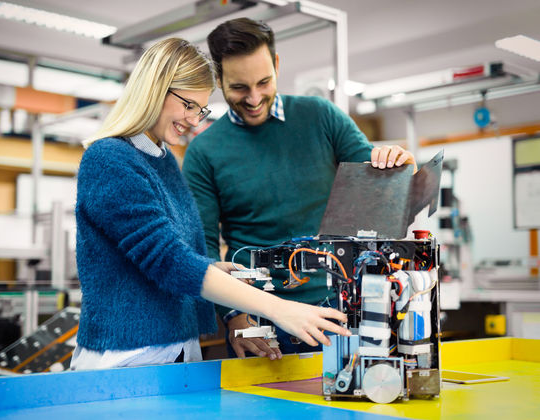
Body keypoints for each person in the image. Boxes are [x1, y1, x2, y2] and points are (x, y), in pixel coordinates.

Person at [70, 37, 351, 370]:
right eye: (188, 105)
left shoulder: (163, 160)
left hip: (176, 350)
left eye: (200, 109)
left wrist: (214, 270)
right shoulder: (109, 159)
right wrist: (279, 309)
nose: (193, 120)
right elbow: (168, 261)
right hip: (125, 359)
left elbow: (172, 253)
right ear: (156, 89)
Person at [182, 18, 416, 361]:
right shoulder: (204, 152)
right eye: (239, 88)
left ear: (277, 64)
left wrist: (397, 164)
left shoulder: (320, 116)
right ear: (218, 80)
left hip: (338, 308)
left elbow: (376, 182)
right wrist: (234, 317)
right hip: (258, 320)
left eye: (264, 81)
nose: (254, 98)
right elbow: (202, 248)